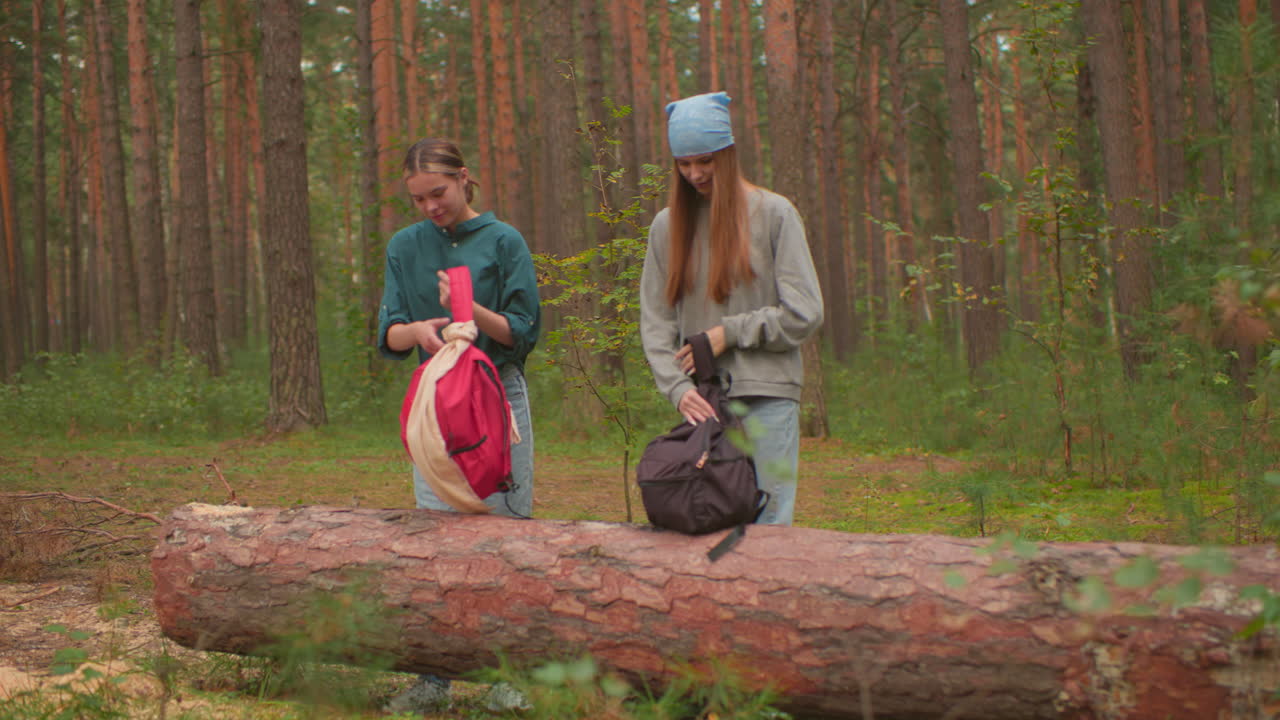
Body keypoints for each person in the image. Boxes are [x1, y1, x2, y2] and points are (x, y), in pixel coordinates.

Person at [376, 138, 539, 713]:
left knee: (506, 533)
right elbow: (390, 334)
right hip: (437, 401)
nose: (429, 207)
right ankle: (433, 678)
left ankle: (509, 675)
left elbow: (524, 331)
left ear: (465, 180)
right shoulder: (405, 246)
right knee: (433, 536)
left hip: (497, 397)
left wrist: (474, 315)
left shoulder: (503, 241)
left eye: (438, 194)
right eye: (418, 198)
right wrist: (421, 330)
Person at [640, 91, 824, 527]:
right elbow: (655, 320)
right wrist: (676, 388)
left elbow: (806, 312)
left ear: (727, 153)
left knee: (768, 525)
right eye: (684, 164)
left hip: (768, 398)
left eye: (705, 161)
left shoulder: (775, 215)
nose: (695, 174)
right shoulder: (667, 227)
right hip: (704, 401)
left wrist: (731, 332)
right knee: (705, 522)